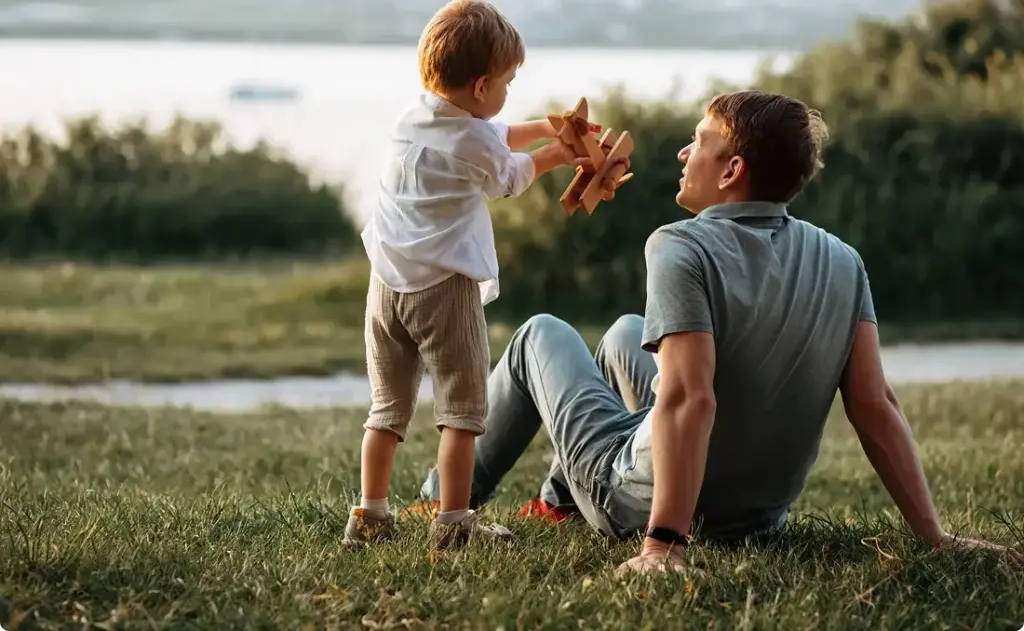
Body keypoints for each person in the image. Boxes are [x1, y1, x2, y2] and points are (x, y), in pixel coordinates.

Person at [415, 89, 1024, 573]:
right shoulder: (843, 258)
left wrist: (664, 545)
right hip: (756, 518)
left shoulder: (680, 245)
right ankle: (558, 503)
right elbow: (874, 405)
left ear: (732, 169)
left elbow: (689, 397)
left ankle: (439, 502)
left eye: (697, 142)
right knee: (628, 332)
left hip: (639, 503)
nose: (683, 154)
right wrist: (935, 538)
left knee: (539, 334)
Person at [344, 0, 595, 551]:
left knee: (386, 410)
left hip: (385, 284)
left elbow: (492, 136)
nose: (507, 94)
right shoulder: (475, 137)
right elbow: (505, 177)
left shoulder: (413, 117)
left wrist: (547, 129)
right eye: (506, 83)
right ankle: (455, 521)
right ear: (481, 87)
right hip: (442, 288)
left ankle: (370, 514)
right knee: (461, 411)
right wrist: (559, 154)